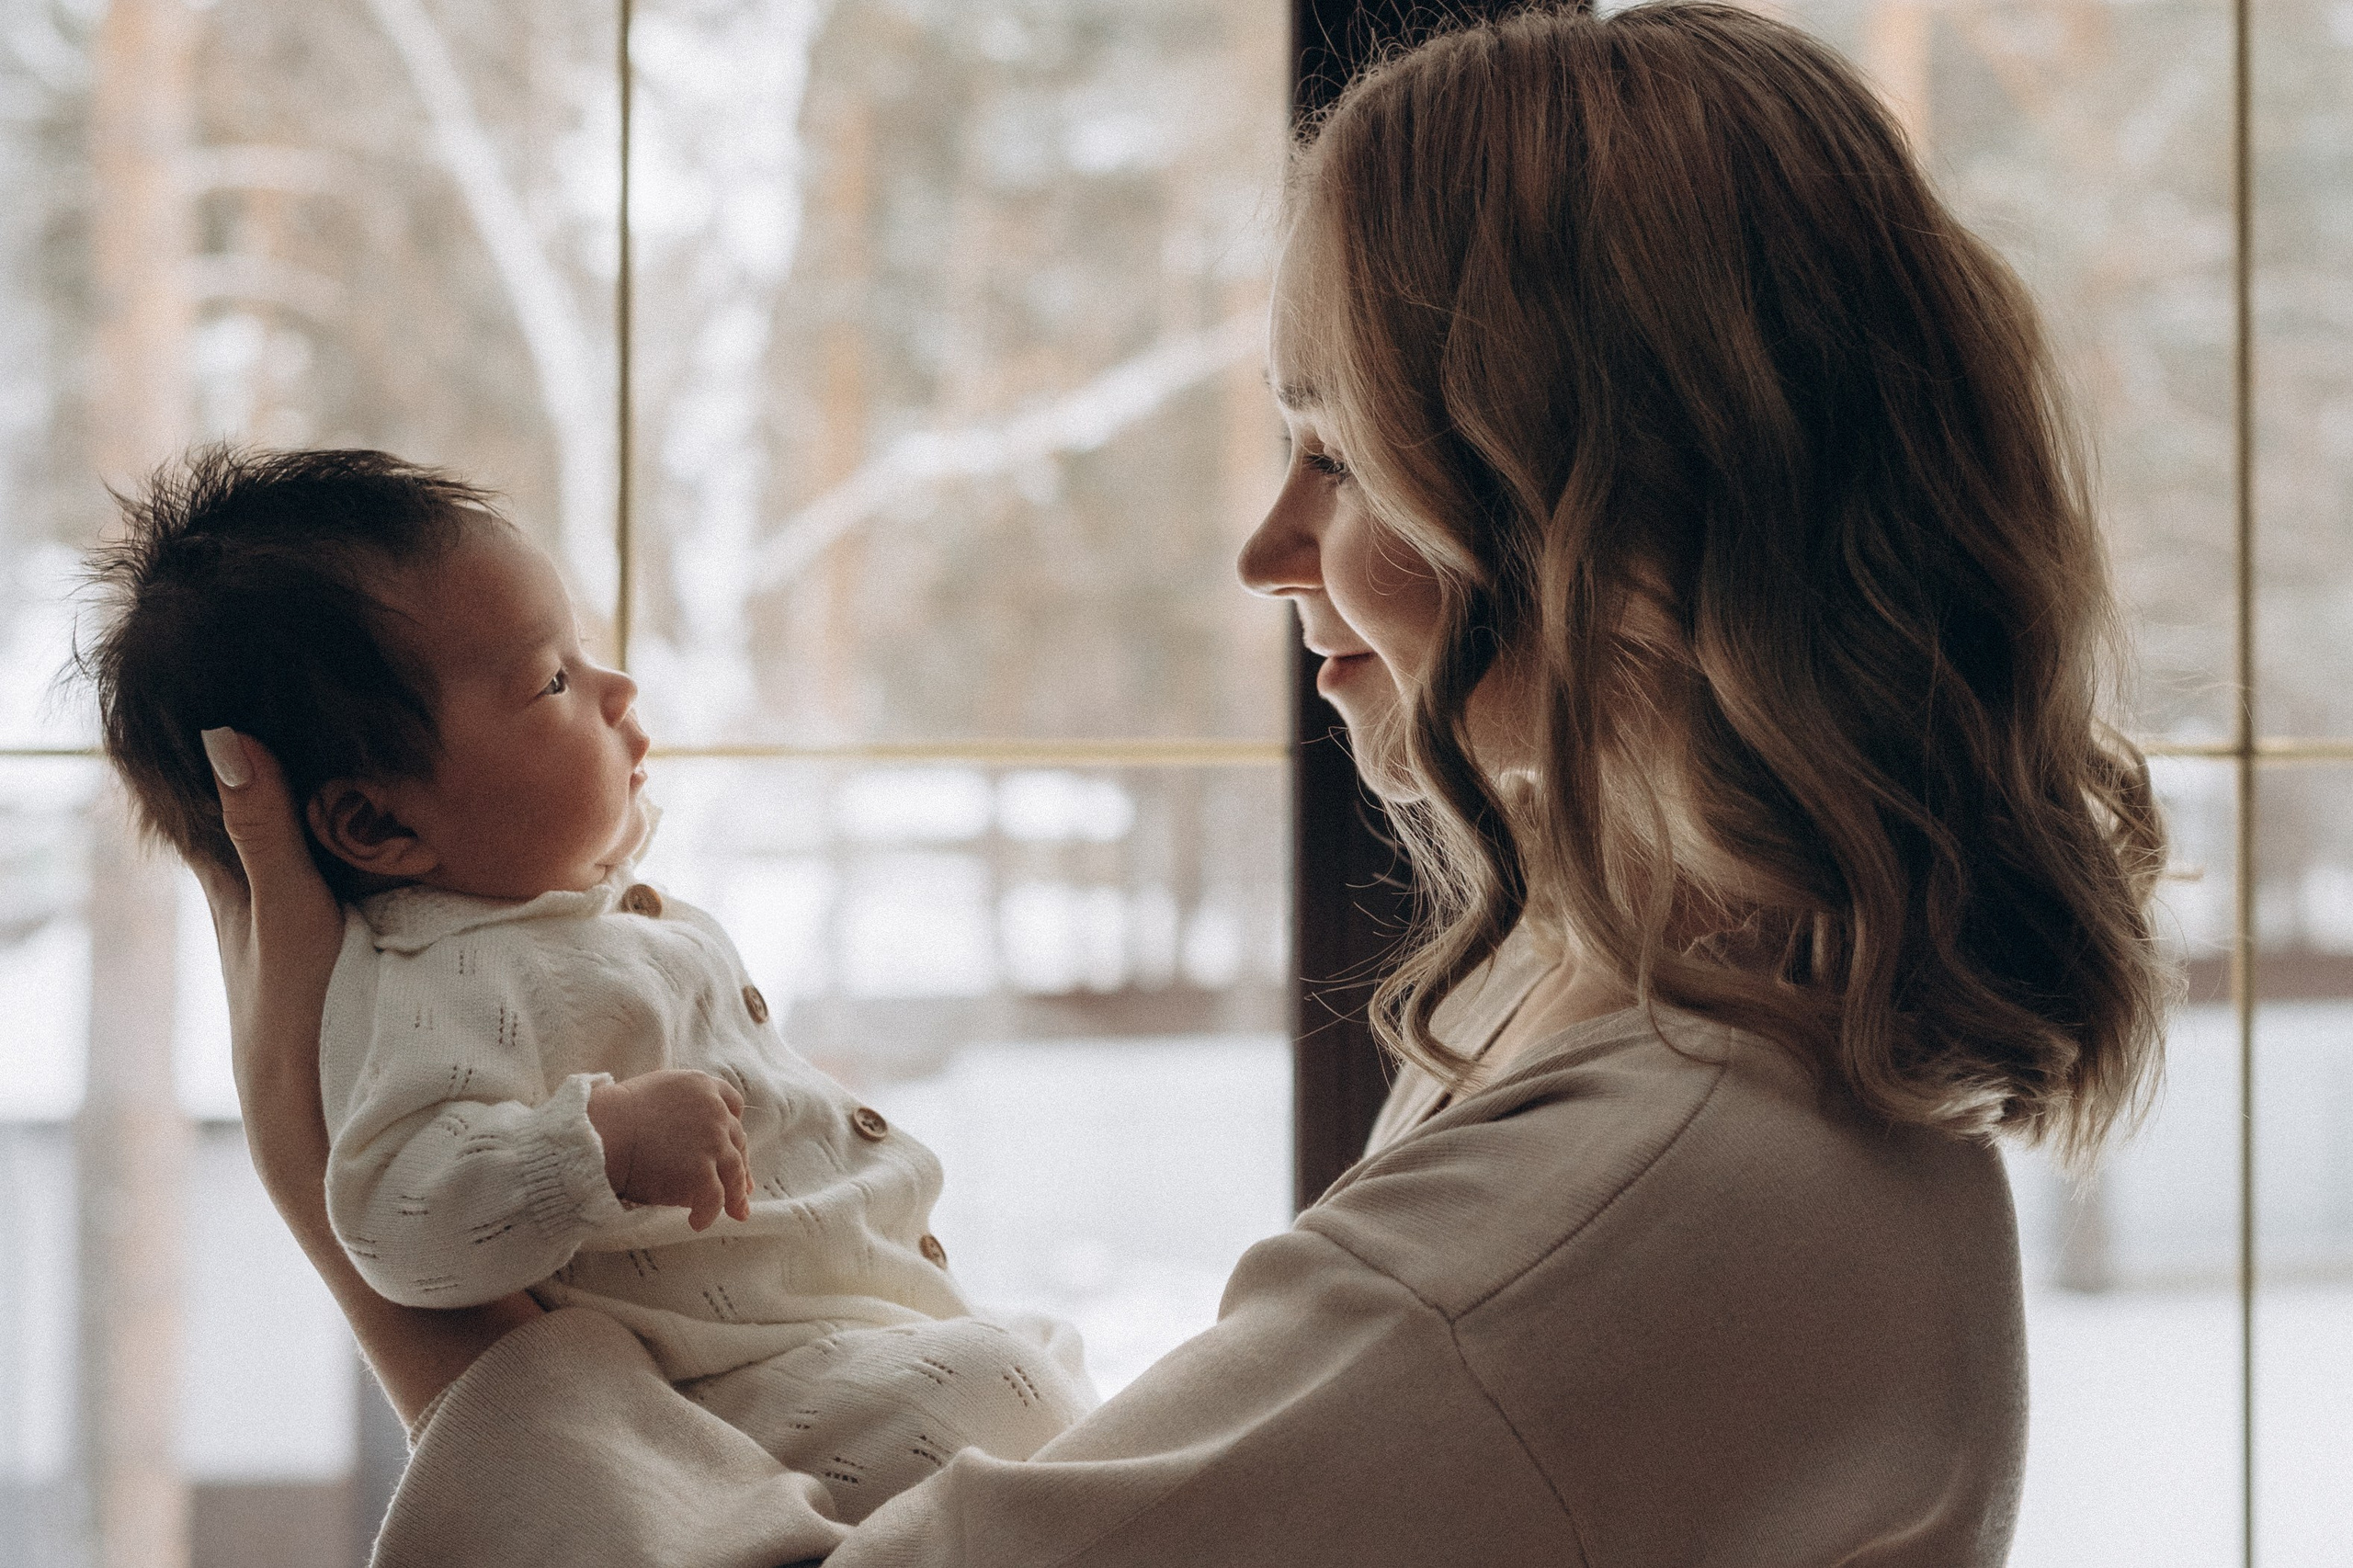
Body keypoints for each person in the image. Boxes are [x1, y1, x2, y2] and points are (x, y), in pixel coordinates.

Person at [194, 4, 2171, 1563]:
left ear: (1595, 514)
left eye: (1339, 449)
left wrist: (405, 1290)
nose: (1264, 549)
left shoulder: (1630, 1193)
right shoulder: (1700, 1063)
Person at [83, 449, 1090, 1526]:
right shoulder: (442, 968)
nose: (615, 689)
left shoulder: (546, 915)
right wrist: (597, 1144)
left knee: (1033, 1371)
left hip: (848, 1340)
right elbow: (393, 1215)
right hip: (747, 1395)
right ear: (378, 823)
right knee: (1003, 1392)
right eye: (551, 681)